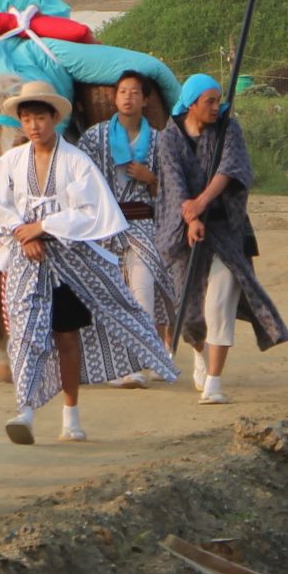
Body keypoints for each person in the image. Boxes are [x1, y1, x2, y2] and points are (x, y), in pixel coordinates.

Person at [0, 78, 178, 444]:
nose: (34, 126)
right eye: (27, 119)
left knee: (67, 337)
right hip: (27, 258)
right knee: (24, 334)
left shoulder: (75, 161)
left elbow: (92, 211)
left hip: (70, 260)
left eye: (40, 118)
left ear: (54, 118)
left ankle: (70, 415)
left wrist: (46, 227)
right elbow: (0, 209)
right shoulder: (10, 163)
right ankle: (24, 408)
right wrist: (24, 234)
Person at [155, 73, 288, 405]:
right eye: (209, 102)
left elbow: (232, 170)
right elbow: (172, 184)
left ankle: (215, 381)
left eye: (218, 101)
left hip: (227, 231)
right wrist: (190, 218)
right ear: (192, 105)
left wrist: (202, 204)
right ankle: (199, 357)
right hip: (182, 231)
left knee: (219, 304)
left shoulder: (228, 130)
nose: (217, 107)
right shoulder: (168, 139)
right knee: (190, 314)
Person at [75, 70, 177, 381]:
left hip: (144, 225)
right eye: (122, 92)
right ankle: (121, 365)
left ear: (146, 100)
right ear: (114, 98)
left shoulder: (160, 141)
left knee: (142, 291)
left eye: (135, 92)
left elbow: (173, 191)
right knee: (109, 295)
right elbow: (79, 182)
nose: (128, 98)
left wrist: (151, 180)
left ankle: (139, 362)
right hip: (105, 226)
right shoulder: (95, 137)